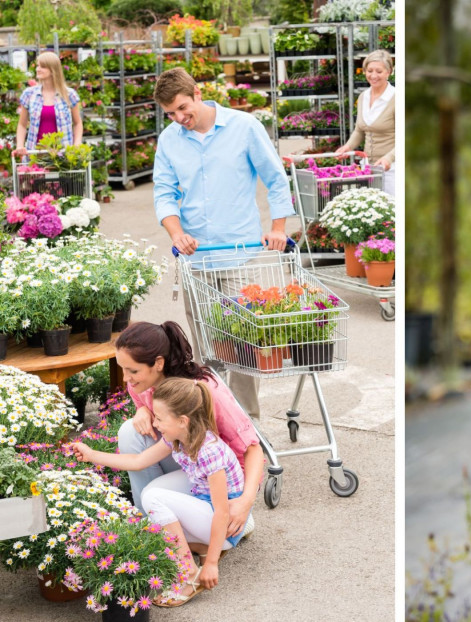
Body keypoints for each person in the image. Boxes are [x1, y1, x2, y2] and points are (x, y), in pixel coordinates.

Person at [152, 67, 295, 420]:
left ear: (197, 93)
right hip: (196, 260)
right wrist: (176, 233)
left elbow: (276, 180)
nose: (180, 118)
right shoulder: (170, 139)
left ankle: (249, 424)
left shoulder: (243, 127)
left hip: (239, 254)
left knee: (243, 342)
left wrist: (277, 227)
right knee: (203, 347)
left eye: (183, 108)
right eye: (170, 113)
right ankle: (213, 421)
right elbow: (164, 193)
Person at [72, 377, 245, 607]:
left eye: (160, 418)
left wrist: (211, 563)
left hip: (227, 526)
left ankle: (189, 572)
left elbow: (223, 512)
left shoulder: (209, 451)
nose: (156, 422)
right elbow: (139, 460)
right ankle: (200, 547)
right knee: (152, 497)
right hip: (205, 506)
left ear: (183, 421)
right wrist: (92, 455)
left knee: (153, 499)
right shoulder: (178, 437)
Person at [115, 321, 264, 541]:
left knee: (153, 493)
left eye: (133, 370)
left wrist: (244, 502)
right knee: (130, 432)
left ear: (158, 363)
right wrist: (142, 411)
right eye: (122, 369)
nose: (126, 378)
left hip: (224, 479)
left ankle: (219, 522)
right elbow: (147, 411)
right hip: (192, 464)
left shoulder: (204, 391)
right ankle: (154, 526)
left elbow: (253, 449)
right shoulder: (139, 384)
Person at [335, 49, 395, 195]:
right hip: (368, 167)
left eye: (379, 71)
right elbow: (360, 130)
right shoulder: (364, 96)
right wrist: (348, 147)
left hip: (393, 169)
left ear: (389, 72)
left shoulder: (396, 98)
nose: (373, 75)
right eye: (369, 70)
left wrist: (389, 158)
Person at [14, 51, 83, 157]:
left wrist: (77, 144)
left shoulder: (69, 95)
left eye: (42, 67)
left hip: (63, 157)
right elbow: (22, 124)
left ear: (53, 70)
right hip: (35, 154)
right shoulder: (29, 94)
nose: (38, 69)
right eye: (37, 66)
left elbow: (77, 123)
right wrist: (20, 146)